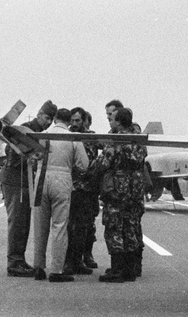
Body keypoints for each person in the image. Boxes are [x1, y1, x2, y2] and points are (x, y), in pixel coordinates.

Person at [30, 108, 88, 281]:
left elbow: (31, 156)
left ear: (54, 119)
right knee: (60, 226)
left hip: (41, 178)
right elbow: (83, 165)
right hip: (62, 179)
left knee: (40, 226)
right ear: (69, 120)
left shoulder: (41, 134)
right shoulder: (72, 138)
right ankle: (56, 270)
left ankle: (38, 267)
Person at [91, 107, 147, 282]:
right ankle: (130, 269)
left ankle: (117, 270)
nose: (110, 122)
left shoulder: (116, 141)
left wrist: (89, 171)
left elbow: (102, 164)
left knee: (114, 228)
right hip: (135, 191)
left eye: (113, 119)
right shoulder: (139, 141)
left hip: (117, 191)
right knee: (131, 227)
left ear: (119, 122)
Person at [3, 100, 54, 276]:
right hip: (15, 179)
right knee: (17, 221)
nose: (48, 122)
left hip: (24, 181)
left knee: (23, 222)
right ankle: (14, 262)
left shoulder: (41, 133)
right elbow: (10, 152)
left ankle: (19, 260)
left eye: (51, 119)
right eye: (47, 117)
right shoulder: (25, 130)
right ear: (39, 114)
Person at [64, 107, 100, 274]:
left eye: (78, 120)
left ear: (84, 120)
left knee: (85, 226)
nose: (74, 124)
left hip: (87, 189)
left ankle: (82, 257)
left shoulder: (90, 137)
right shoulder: (66, 136)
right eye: (72, 120)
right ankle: (69, 261)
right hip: (70, 188)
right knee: (68, 226)